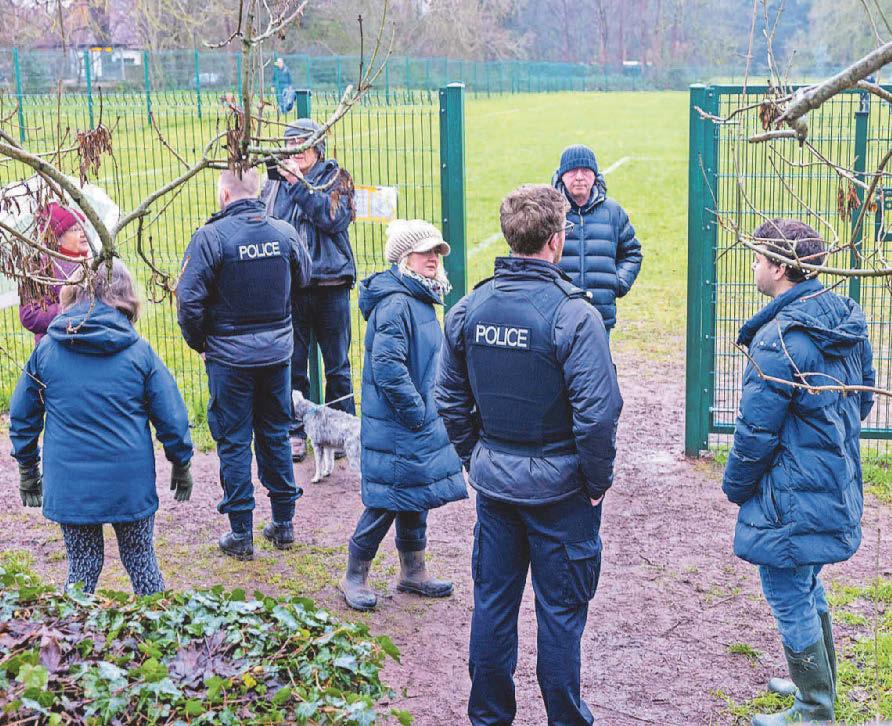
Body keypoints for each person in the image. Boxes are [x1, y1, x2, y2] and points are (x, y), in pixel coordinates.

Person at [436, 184, 623, 725]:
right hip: (560, 492)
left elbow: (448, 398)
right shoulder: (574, 315)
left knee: (493, 607)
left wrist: (478, 458)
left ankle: (489, 718)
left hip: (498, 487)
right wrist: (595, 482)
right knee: (560, 616)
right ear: (557, 240)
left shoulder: (471, 307)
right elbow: (598, 414)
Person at [722, 219, 875, 726]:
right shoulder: (845, 317)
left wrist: (736, 486)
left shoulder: (779, 339)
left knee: (787, 589)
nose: (754, 266)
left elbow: (756, 432)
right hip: (831, 481)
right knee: (806, 579)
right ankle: (819, 679)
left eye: (759, 259)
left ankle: (814, 708)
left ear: (781, 268)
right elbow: (863, 400)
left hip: (790, 493)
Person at [9, 259, 193, 595]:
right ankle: (160, 634)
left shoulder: (47, 350)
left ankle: (68, 640)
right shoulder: (139, 352)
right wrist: (180, 462)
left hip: (70, 483)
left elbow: (23, 414)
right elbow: (172, 415)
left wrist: (27, 467)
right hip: (129, 480)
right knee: (141, 559)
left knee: (82, 565)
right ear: (125, 294)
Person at [176, 168, 312, 560]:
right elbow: (303, 278)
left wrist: (201, 342)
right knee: (275, 432)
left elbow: (188, 302)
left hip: (229, 358)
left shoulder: (210, 238)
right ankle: (283, 523)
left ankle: (241, 533)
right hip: (276, 354)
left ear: (223, 194)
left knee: (234, 439)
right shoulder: (283, 232)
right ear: (259, 190)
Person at [339, 220, 467, 611]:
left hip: (417, 421)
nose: (433, 259)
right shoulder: (396, 304)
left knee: (417, 492)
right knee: (387, 501)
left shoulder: (420, 298)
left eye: (436, 253)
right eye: (425, 252)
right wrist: (416, 413)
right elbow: (389, 369)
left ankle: (414, 571)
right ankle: (353, 576)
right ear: (403, 258)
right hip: (400, 424)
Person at [260, 118, 357, 463]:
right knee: (295, 366)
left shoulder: (336, 178)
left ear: (318, 146)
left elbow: (333, 219)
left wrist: (298, 185)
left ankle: (344, 431)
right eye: (291, 143)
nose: (297, 150)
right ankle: (295, 432)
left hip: (331, 285)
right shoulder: (273, 185)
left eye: (303, 143)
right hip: (293, 287)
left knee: (337, 367)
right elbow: (269, 223)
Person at [551, 144, 642, 333]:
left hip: (599, 315)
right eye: (572, 171)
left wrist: (618, 283)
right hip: (555, 314)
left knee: (597, 363)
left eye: (585, 170)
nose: (579, 177)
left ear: (595, 175)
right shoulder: (548, 211)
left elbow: (632, 253)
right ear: (561, 176)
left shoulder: (613, 212)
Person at [19, 202, 91, 345]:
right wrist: (70, 309)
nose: (83, 233)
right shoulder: (40, 268)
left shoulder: (94, 262)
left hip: (92, 341)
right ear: (56, 238)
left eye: (83, 227)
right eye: (75, 229)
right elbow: (29, 315)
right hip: (57, 345)